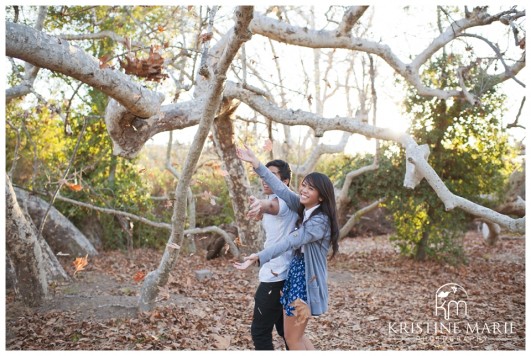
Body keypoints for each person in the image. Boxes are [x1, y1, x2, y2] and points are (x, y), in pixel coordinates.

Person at [235, 145, 339, 350]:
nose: (304, 190)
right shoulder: (303, 207)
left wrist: (259, 256)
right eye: (304, 186)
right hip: (296, 275)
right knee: (294, 336)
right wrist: (256, 163)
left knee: (292, 339)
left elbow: (290, 241)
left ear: (321, 196)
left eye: (311, 188)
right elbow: (281, 189)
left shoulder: (319, 222)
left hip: (306, 281)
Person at [248, 159, 298, 350]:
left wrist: (261, 205)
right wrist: (260, 210)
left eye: (272, 176)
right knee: (285, 332)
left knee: (260, 332)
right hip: (282, 273)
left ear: (284, 181)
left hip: (275, 276)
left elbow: (272, 207)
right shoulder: (282, 200)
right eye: (263, 175)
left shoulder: (282, 202)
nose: (265, 179)